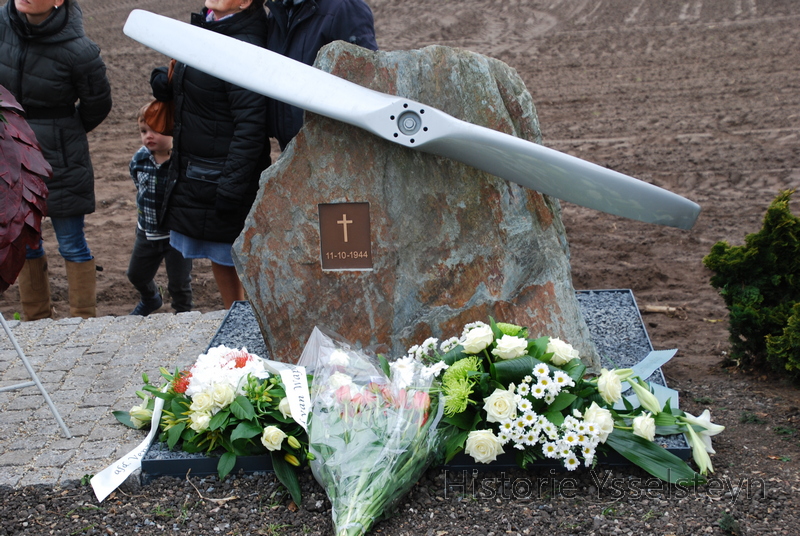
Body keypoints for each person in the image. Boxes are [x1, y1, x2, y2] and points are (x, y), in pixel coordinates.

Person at [150, 0, 271, 309]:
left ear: (244, 2)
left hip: (222, 173)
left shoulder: (242, 45)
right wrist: (168, 84)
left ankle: (249, 325)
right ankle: (238, 319)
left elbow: (251, 124)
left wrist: (231, 185)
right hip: (200, 168)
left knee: (234, 254)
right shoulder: (208, 27)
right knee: (223, 256)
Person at [0, 0, 112, 320]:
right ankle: (36, 317)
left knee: (71, 242)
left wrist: (65, 132)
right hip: (10, 153)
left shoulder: (80, 50)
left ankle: (83, 320)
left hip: (62, 156)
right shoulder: (1, 24)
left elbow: (98, 104)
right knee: (24, 240)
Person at [264, 0, 378, 150]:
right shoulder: (282, 7)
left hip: (330, 148)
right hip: (292, 146)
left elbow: (366, 77)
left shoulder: (345, 8)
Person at [127, 103, 193, 316]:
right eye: (144, 131)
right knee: (136, 274)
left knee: (179, 284)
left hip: (176, 235)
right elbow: (138, 184)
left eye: (156, 130)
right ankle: (151, 299)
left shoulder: (181, 160)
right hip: (147, 232)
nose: (149, 136)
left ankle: (183, 317)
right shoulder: (140, 159)